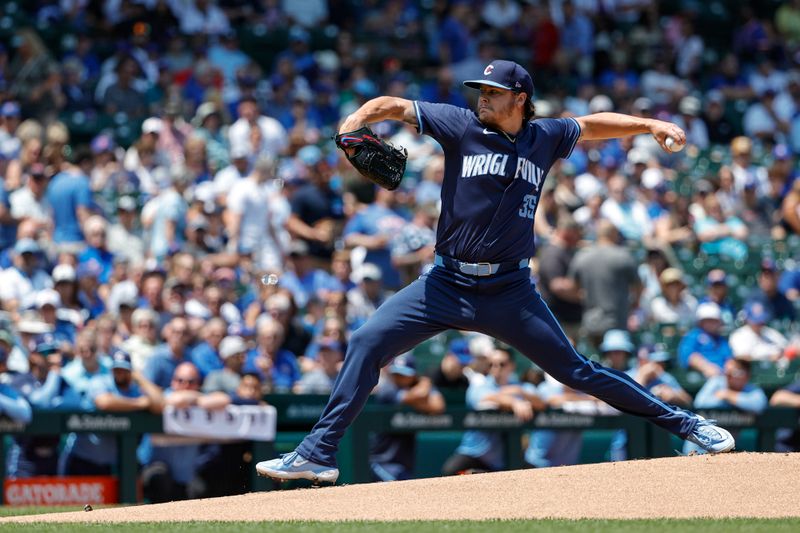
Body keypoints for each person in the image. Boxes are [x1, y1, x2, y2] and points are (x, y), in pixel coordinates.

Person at [256, 59, 736, 484]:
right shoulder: (460, 124)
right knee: (364, 342)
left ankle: (688, 424)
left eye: (492, 92)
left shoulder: (544, 136)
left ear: (519, 99)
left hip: (509, 289)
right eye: (480, 91)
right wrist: (356, 119)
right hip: (444, 282)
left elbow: (591, 125)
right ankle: (317, 454)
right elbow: (394, 105)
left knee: (576, 370)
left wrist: (649, 124)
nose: (481, 98)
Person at [369, 353, 445, 481]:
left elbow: (438, 406)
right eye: (396, 374)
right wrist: (425, 384)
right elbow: (417, 395)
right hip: (381, 461)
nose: (398, 378)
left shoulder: (413, 387)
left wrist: (418, 399)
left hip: (403, 465)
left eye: (403, 374)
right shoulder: (387, 389)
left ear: (413, 375)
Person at [684, 358, 767, 455]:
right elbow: (700, 405)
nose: (728, 376)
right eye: (727, 372)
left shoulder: (750, 390)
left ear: (746, 376)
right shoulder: (716, 382)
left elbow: (759, 405)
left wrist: (728, 395)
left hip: (728, 450)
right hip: (698, 448)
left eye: (733, 373)